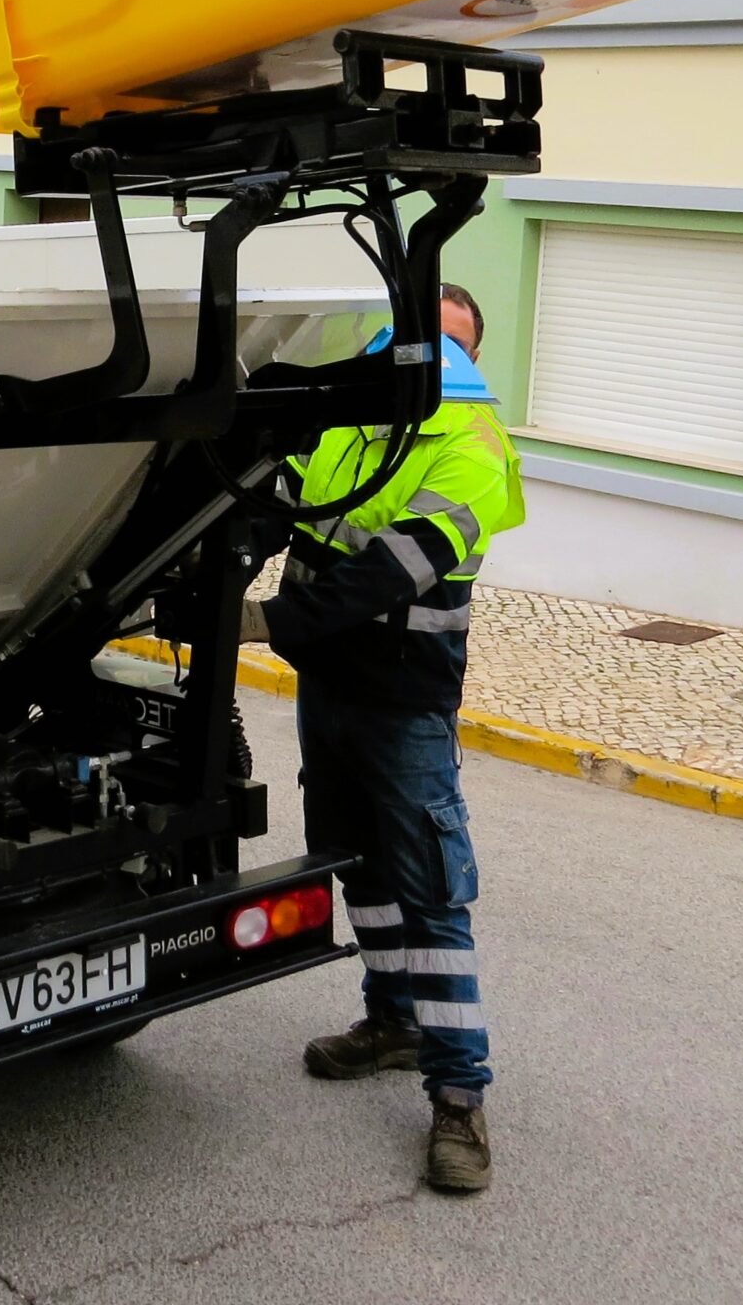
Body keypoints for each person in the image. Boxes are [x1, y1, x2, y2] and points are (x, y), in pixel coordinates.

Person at [257, 283, 523, 1195]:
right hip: (331, 688)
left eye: (455, 346)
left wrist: (271, 624)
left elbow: (395, 565)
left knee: (431, 892)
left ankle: (459, 1097)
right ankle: (391, 1021)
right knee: (354, 864)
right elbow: (280, 506)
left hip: (405, 700)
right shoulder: (349, 427)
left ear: (473, 365)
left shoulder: (472, 446)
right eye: (420, 341)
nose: (434, 359)